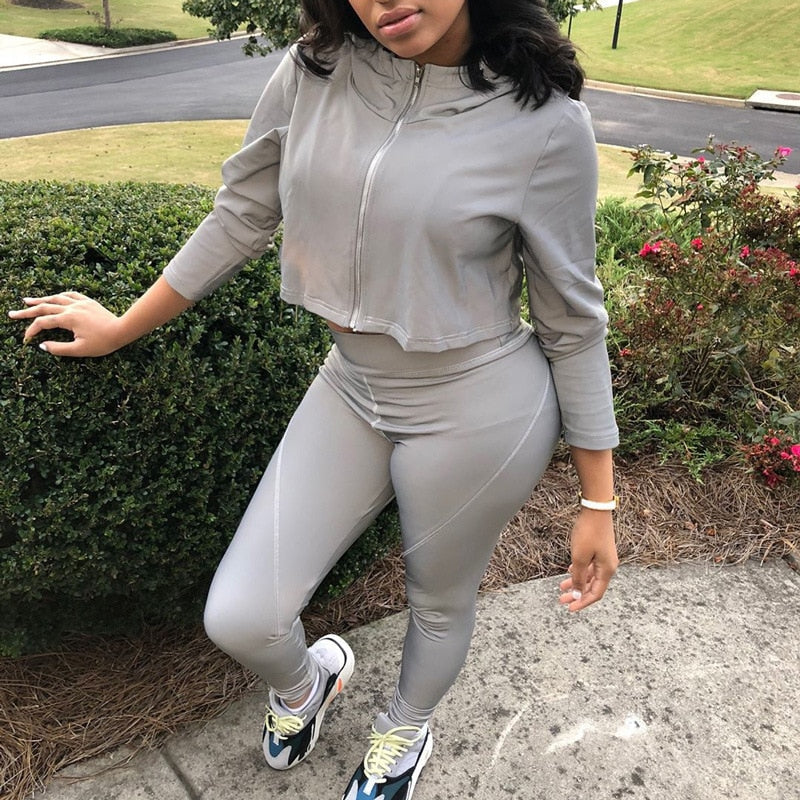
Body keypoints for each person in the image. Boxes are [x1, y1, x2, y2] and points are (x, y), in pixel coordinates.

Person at [9, 1, 620, 797]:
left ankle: (404, 729)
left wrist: (598, 501)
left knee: (438, 602)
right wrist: (123, 325)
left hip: (479, 408)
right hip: (352, 385)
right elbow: (242, 213)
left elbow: (572, 321)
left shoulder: (546, 123)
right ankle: (308, 685)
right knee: (240, 616)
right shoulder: (315, 67)